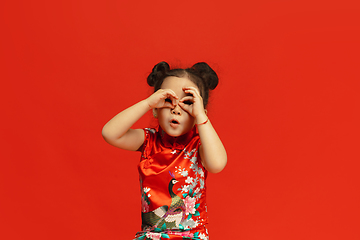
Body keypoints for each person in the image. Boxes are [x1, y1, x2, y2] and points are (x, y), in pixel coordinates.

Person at [102, 61, 227, 240]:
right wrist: (147, 103)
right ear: (156, 110)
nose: (176, 109)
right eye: (169, 100)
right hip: (151, 235)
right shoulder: (148, 140)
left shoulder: (198, 147)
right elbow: (109, 133)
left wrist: (201, 116)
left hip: (192, 236)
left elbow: (217, 164)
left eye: (187, 103)